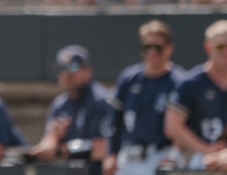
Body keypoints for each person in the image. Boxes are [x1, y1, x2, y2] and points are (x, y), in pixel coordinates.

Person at [105, 20, 183, 175]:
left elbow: (187, 125)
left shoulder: (179, 81)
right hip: (128, 154)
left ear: (169, 49)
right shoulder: (128, 79)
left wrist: (174, 154)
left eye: (157, 48)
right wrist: (111, 154)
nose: (151, 53)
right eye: (147, 47)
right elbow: (115, 120)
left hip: (161, 154)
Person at [32, 46, 110, 175]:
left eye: (73, 67)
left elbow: (106, 147)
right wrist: (52, 137)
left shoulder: (102, 101)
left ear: (88, 70)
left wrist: (64, 150)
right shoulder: (59, 104)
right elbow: (47, 148)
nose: (67, 74)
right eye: (62, 69)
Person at [165, 20, 227, 170]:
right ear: (208, 47)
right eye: (220, 46)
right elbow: (172, 126)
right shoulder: (191, 82)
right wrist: (205, 149)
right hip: (198, 157)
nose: (225, 52)